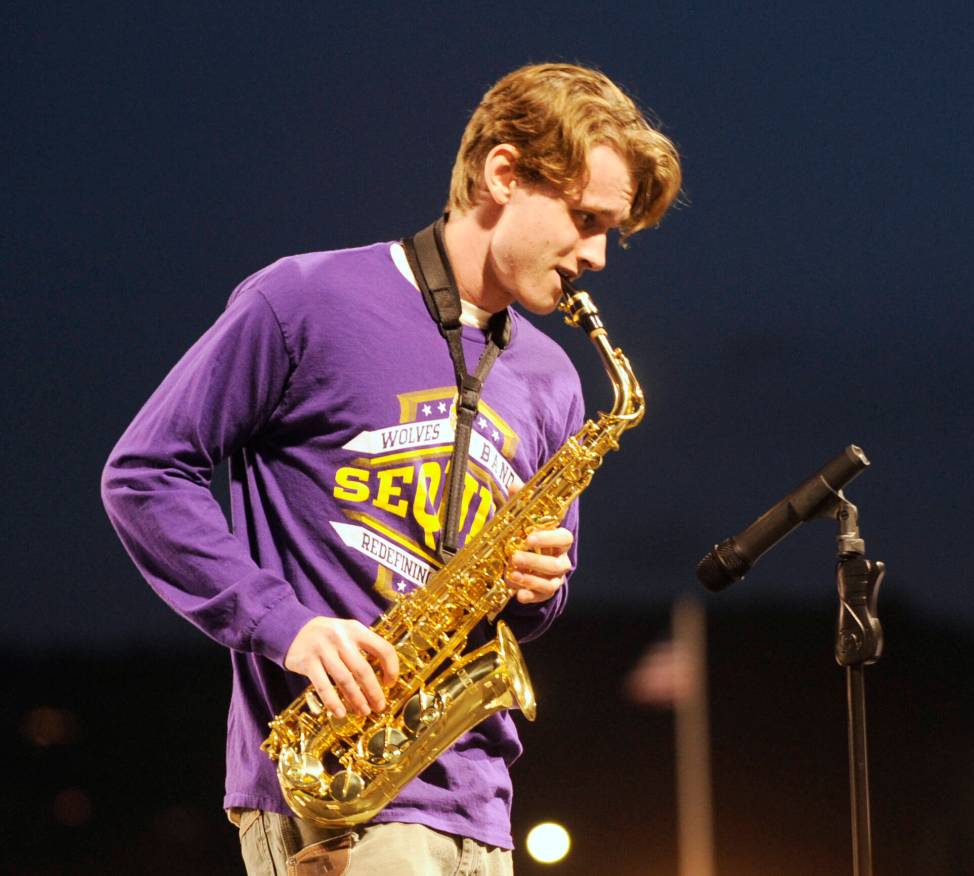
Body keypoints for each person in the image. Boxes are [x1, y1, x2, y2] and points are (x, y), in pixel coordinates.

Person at [101, 62, 681, 875]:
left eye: (609, 233)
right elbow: (144, 475)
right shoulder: (304, 299)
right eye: (585, 219)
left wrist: (540, 586)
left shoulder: (554, 379)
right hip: (337, 790)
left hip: (481, 802)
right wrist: (286, 626)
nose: (597, 256)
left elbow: (532, 610)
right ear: (503, 173)